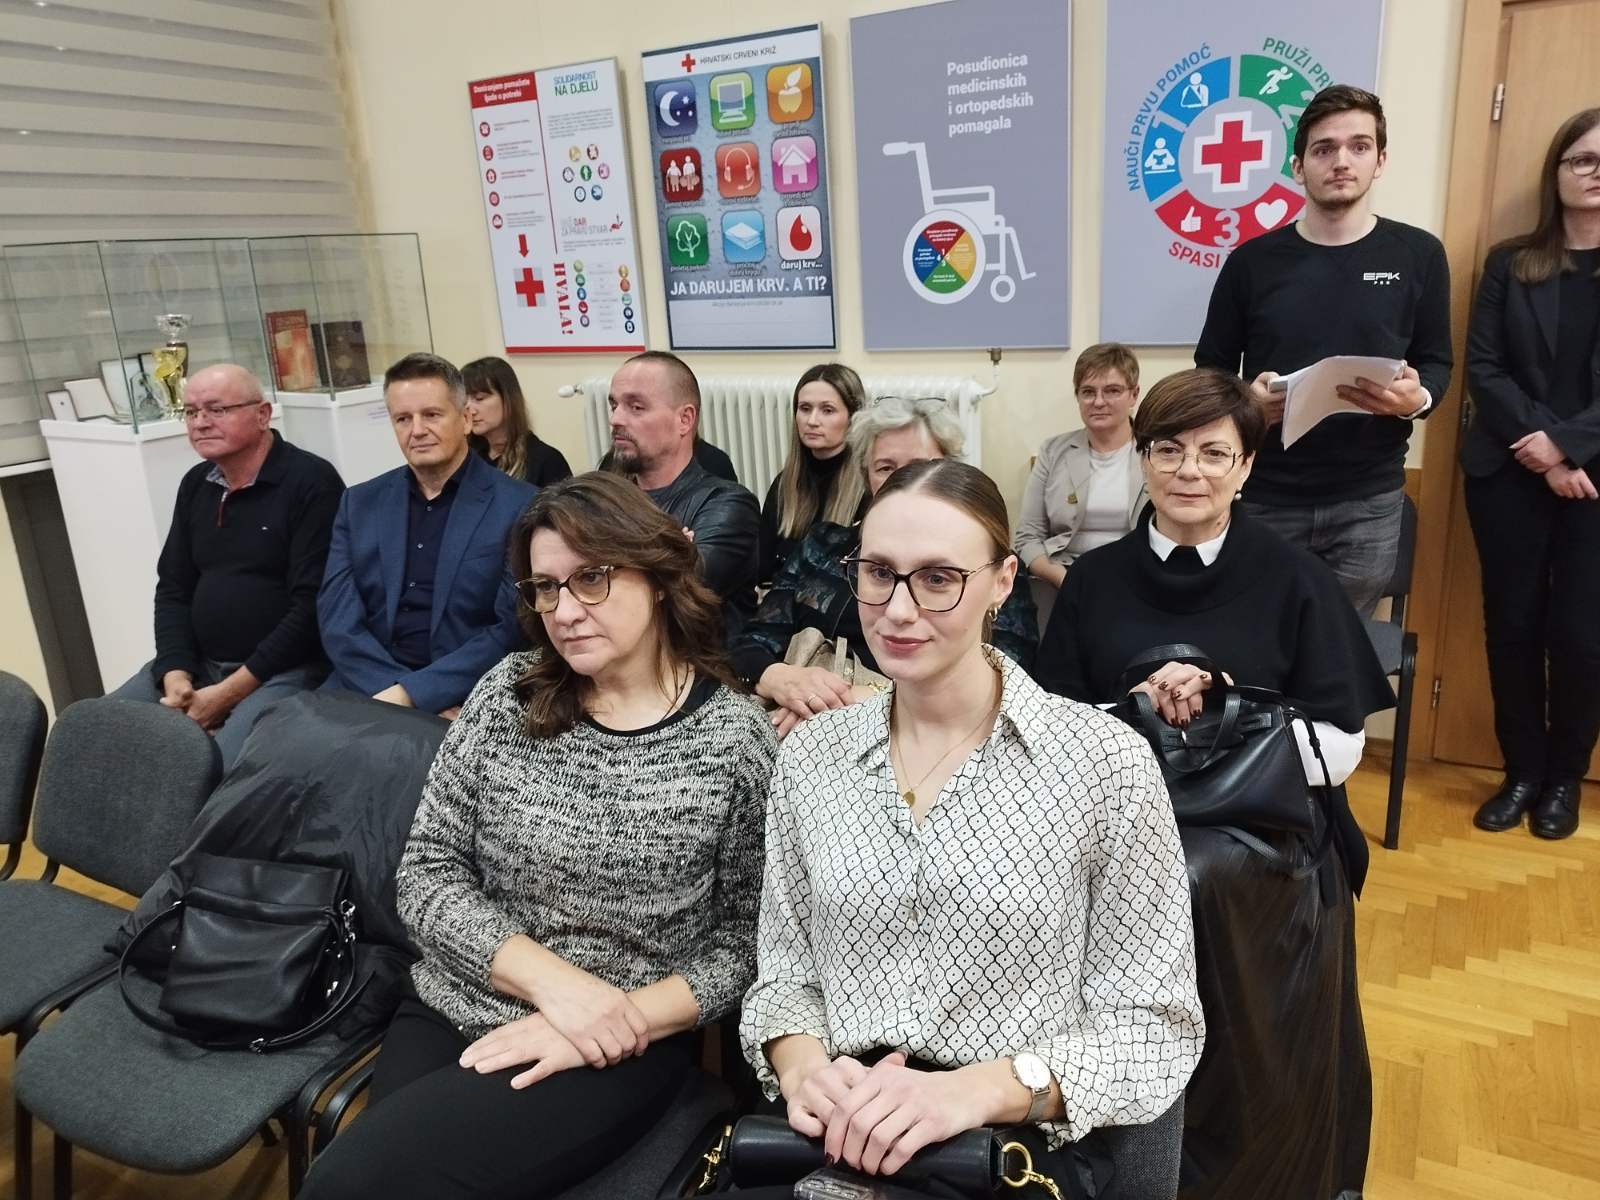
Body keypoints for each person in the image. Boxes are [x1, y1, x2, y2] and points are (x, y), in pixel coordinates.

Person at [300, 472, 777, 1200]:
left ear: (657, 577)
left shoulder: (734, 739)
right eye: (545, 588)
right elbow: (427, 872)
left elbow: (746, 943)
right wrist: (559, 986)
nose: (565, 611)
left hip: (619, 1042)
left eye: (591, 579)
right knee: (362, 1179)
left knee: (351, 1182)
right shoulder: (508, 693)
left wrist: (613, 1015)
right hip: (459, 998)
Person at [738, 458, 1202, 1199]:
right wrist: (804, 1072)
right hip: (836, 1132)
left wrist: (974, 1092)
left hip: (1009, 1143)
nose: (897, 610)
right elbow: (786, 975)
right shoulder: (813, 756)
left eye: (938, 579)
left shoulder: (1102, 764)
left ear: (1002, 581)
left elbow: (1154, 1026)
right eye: (878, 573)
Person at [1035, 368, 1394, 1200]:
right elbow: (1053, 731)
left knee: (1194, 884)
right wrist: (1139, 704)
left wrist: (1229, 708)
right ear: (1144, 458)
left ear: (1246, 467)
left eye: (1213, 453)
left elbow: (1340, 748)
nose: (1189, 471)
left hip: (1260, 834)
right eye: (1168, 450)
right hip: (1119, 823)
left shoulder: (1294, 577)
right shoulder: (1095, 580)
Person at [1194, 84, 1452, 616]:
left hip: (1369, 499)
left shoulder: (1420, 254)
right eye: (1324, 148)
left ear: (1380, 161)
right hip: (1266, 494)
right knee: (1257, 640)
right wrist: (1245, 405)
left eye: (1359, 146)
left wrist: (1417, 399)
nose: (1341, 161)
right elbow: (1210, 371)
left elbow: (1437, 361)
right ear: (1298, 166)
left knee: (1339, 648)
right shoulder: (1251, 263)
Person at [731, 396, 1038, 738]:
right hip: (797, 719)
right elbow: (752, 643)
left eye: (920, 466)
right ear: (866, 476)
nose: (905, 482)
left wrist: (853, 701)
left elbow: (1009, 665)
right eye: (885, 468)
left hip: (923, 727)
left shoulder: (982, 562)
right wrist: (783, 679)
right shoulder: (821, 545)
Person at [1462, 107, 1600, 841]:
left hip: (1595, 482)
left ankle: (1564, 779)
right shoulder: (1511, 263)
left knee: (1582, 636)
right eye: (1582, 159)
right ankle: (1520, 771)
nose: (1595, 172)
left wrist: (1568, 448)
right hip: (1509, 473)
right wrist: (1542, 449)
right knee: (1511, 626)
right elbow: (1484, 367)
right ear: (1557, 171)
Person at [108, 364, 343, 767]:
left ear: (262, 414)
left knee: (210, 768)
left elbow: (312, 607)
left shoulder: (311, 482)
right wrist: (175, 673)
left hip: (283, 671)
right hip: (199, 665)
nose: (201, 423)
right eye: (191, 412)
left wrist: (228, 694)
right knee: (100, 734)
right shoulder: (196, 483)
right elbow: (173, 588)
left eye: (216, 410)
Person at [317, 352, 534, 717]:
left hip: (465, 696)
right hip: (362, 688)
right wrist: (399, 695)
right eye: (403, 419)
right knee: (279, 742)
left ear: (466, 419)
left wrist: (419, 693)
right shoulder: (359, 503)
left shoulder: (520, 505)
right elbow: (338, 620)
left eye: (431, 415)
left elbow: (511, 628)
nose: (416, 430)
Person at [606, 350, 760, 640]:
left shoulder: (728, 503)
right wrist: (663, 554)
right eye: (614, 405)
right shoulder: (606, 497)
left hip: (695, 660)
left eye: (636, 407)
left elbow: (683, 594)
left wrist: (605, 564)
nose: (616, 419)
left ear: (685, 420)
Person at [1015, 342, 1148, 631]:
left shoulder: (1156, 451)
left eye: (1112, 390)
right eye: (1088, 392)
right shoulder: (1053, 451)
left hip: (1139, 576)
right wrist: (1065, 580)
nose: (1098, 402)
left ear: (1134, 394)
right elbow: (1027, 538)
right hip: (1063, 576)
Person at [758, 363, 868, 585]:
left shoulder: (867, 488)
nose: (812, 421)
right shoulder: (785, 484)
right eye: (805, 408)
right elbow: (762, 566)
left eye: (827, 410)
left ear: (853, 417)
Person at [462, 355, 572, 487]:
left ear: (508, 399)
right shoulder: (469, 457)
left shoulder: (545, 460)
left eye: (479, 398)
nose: (470, 410)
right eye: (464, 401)